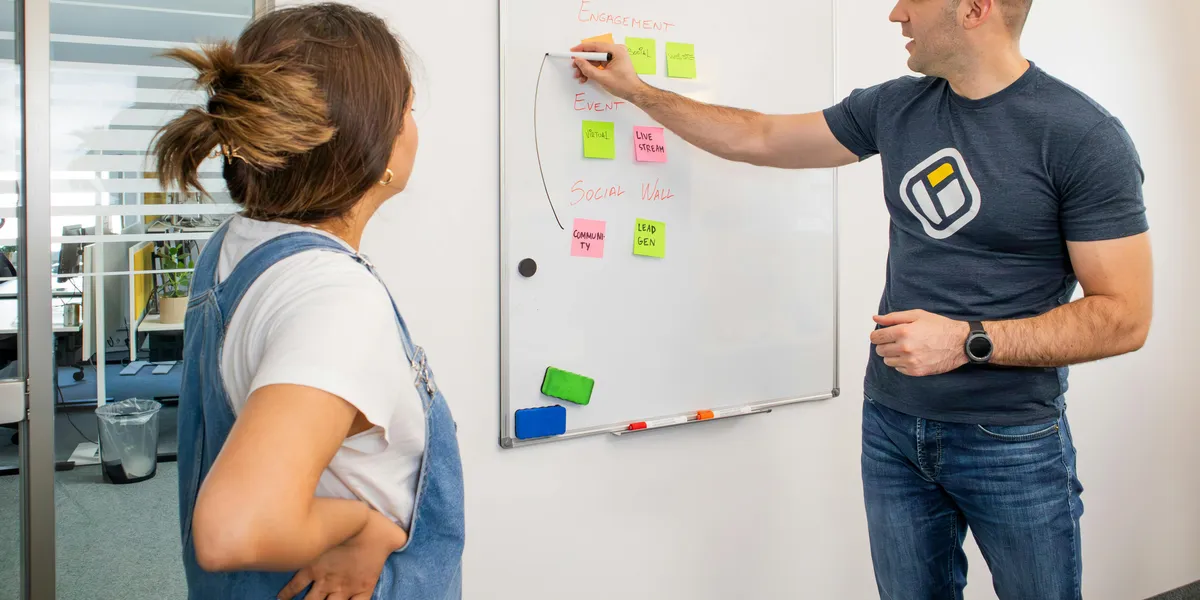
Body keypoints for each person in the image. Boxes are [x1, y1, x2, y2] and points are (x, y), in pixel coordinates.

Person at [572, 0, 1151, 598]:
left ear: (974, 10)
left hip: (1010, 438)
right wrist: (638, 91)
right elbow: (760, 137)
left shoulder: (1082, 136)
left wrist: (966, 340)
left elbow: (1123, 316)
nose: (896, 13)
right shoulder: (897, 106)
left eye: (913, 0)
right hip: (892, 426)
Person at [151, 4, 464, 599]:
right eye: (408, 109)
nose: (412, 125)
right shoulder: (336, 300)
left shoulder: (238, 247)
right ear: (373, 146)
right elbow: (233, 530)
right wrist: (365, 527)